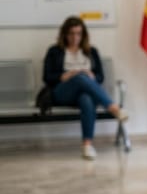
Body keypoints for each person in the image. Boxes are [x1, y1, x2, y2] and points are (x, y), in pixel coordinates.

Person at [42, 16, 128, 160]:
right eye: (71, 33)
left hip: (84, 92)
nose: (75, 37)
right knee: (80, 77)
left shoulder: (91, 51)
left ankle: (87, 145)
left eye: (78, 33)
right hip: (61, 93)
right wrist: (65, 76)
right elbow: (46, 77)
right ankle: (113, 108)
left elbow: (100, 77)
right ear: (65, 34)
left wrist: (92, 75)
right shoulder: (54, 51)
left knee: (86, 99)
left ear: (83, 35)